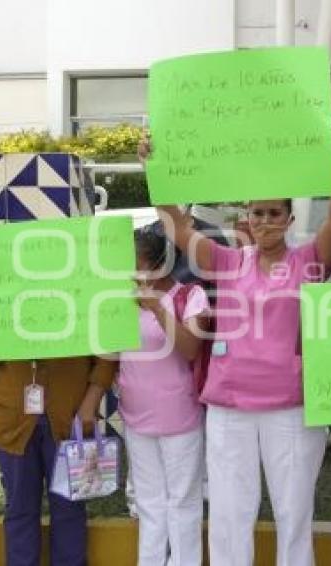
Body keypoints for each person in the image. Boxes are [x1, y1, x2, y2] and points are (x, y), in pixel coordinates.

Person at [139, 127, 331, 566]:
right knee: (230, 515)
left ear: (290, 220)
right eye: (258, 213)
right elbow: (177, 225)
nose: (266, 221)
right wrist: (153, 168)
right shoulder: (227, 262)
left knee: (294, 513)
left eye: (276, 213)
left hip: (291, 409)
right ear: (247, 219)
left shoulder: (309, 262)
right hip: (229, 410)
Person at [119, 226, 210, 565]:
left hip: (180, 418)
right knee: (149, 502)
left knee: (183, 501)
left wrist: (158, 308)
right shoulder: (122, 298)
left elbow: (189, 348)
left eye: (136, 263)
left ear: (161, 263)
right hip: (136, 417)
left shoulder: (192, 296)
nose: (130, 271)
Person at [0, 356, 116, 566]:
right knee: (19, 508)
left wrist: (91, 402)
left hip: (72, 420)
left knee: (69, 510)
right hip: (12, 419)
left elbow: (107, 354)